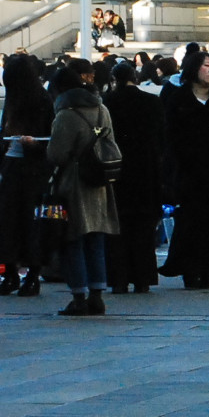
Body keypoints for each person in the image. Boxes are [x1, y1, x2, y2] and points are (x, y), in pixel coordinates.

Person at [46, 64, 123, 317]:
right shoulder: (103, 109)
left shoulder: (66, 115)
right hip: (100, 183)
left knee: (74, 239)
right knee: (96, 239)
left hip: (74, 183)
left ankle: (79, 297)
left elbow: (56, 154)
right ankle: (98, 295)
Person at [104, 62, 168, 293]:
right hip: (146, 171)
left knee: (117, 228)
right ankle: (143, 277)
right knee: (143, 228)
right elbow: (162, 138)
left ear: (114, 79)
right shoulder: (152, 102)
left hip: (116, 172)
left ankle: (119, 278)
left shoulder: (108, 103)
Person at [0, 53, 53, 297]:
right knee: (24, 222)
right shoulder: (41, 99)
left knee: (13, 221)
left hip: (21, 167)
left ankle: (16, 273)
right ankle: (25, 274)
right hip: (28, 168)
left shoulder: (28, 100)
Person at [161, 49, 209, 288]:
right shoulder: (178, 99)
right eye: (207, 65)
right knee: (190, 222)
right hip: (187, 171)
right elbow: (170, 137)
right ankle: (190, 269)